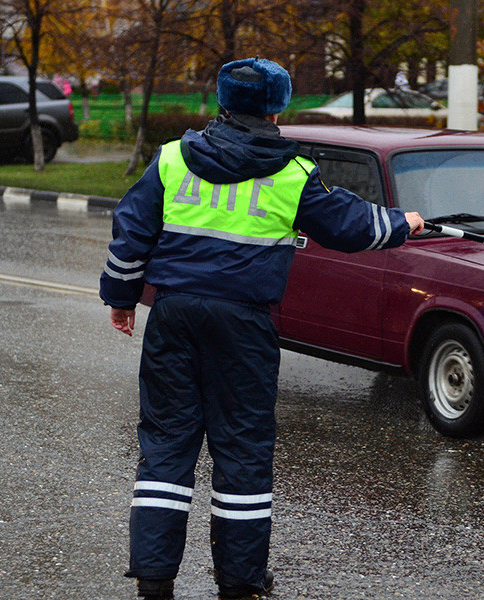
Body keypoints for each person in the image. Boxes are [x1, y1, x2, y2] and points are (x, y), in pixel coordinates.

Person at [99, 57, 424, 600]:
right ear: (278, 107)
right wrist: (402, 223)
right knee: (242, 450)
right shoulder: (291, 174)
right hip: (243, 326)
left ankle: (154, 580)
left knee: (166, 447)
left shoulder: (173, 159)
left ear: (221, 102)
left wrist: (121, 298)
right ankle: (241, 582)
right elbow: (348, 226)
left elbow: (131, 227)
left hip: (175, 317)